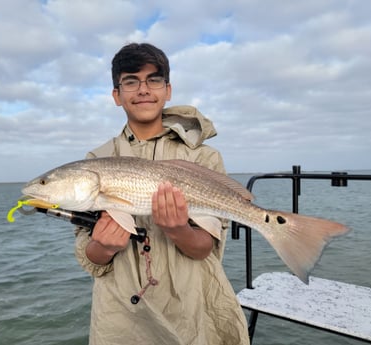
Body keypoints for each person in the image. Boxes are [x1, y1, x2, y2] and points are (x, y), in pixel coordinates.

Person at [75, 42, 249, 345]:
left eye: (153, 79)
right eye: (130, 81)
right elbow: (90, 254)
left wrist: (179, 230)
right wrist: (102, 247)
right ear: (116, 95)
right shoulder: (96, 159)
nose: (143, 89)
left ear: (168, 90)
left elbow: (203, 249)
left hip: (192, 306)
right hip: (121, 315)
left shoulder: (203, 157)